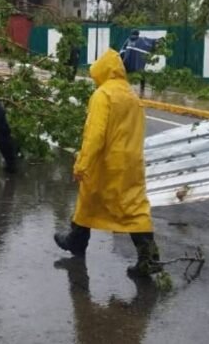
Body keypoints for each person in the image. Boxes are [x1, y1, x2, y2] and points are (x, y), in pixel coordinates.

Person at [54, 49, 161, 277]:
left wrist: (82, 164)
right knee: (135, 207)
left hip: (107, 162)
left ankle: (77, 241)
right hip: (131, 162)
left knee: (88, 196)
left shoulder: (103, 95)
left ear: (102, 70)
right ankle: (149, 257)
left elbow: (95, 135)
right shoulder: (132, 96)